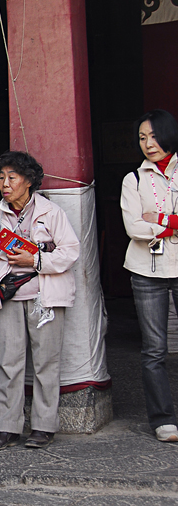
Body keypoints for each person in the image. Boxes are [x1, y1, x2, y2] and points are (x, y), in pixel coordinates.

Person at [0, 151, 79, 450]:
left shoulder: (51, 212)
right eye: (1, 177)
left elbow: (70, 252)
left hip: (45, 296)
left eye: (12, 177)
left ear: (29, 180)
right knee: (8, 362)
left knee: (46, 362)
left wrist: (34, 260)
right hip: (9, 296)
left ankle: (43, 426)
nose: (5, 184)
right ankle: (6, 427)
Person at [120, 109, 178, 442]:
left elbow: (148, 223)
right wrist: (173, 224)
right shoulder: (134, 179)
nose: (148, 143)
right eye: (142, 138)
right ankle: (163, 419)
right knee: (154, 350)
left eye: (154, 136)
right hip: (146, 271)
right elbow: (134, 227)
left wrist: (160, 219)